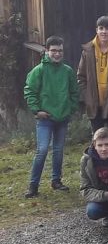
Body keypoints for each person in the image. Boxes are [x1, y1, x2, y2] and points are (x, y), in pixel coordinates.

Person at [24, 36, 79, 198]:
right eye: (53, 50)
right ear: (46, 51)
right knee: (42, 150)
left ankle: (56, 181)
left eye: (60, 51)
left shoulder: (67, 71)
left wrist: (70, 109)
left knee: (58, 150)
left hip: (62, 118)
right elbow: (30, 91)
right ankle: (33, 186)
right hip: (45, 118)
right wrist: (36, 111)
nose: (57, 54)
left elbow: (74, 93)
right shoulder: (39, 70)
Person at [77, 15, 108, 142]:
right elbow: (81, 77)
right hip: (94, 104)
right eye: (101, 28)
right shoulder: (87, 50)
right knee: (97, 140)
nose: (104, 32)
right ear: (96, 30)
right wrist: (87, 96)